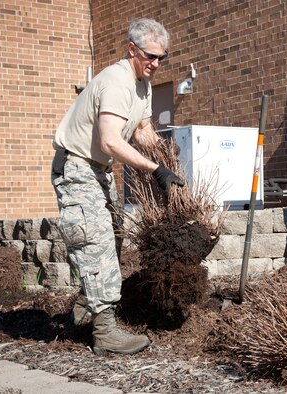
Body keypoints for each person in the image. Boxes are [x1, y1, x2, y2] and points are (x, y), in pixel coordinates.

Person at [51, 18, 183, 355]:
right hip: (78, 168)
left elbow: (141, 130)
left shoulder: (144, 83)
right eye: (150, 56)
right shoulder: (116, 81)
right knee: (97, 243)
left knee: (113, 237)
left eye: (161, 58)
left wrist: (166, 152)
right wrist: (155, 170)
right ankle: (105, 333)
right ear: (132, 50)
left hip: (101, 172)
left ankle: (86, 304)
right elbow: (110, 141)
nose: (156, 63)